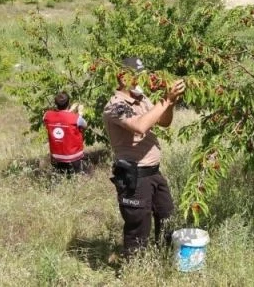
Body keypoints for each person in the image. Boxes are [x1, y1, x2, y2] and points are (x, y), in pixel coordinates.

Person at [103, 56, 186, 258]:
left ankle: (164, 258)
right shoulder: (115, 106)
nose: (141, 80)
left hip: (154, 173)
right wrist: (165, 99)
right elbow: (140, 126)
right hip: (135, 176)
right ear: (122, 77)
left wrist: (171, 103)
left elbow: (164, 122)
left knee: (166, 216)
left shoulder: (142, 98)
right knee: (138, 225)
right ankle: (134, 268)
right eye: (136, 76)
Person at [42, 91, 88, 174]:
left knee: (60, 175)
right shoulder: (76, 117)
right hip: (74, 156)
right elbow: (85, 125)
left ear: (56, 103)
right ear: (69, 103)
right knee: (78, 174)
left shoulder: (47, 115)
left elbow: (47, 118)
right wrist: (79, 114)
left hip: (56, 156)